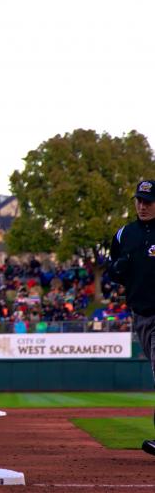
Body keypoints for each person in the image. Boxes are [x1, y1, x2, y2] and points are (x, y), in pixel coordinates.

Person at [109, 179, 155, 456]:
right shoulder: (124, 234)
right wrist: (117, 268)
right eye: (139, 200)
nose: (142, 205)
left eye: (148, 201)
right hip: (141, 315)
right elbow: (113, 272)